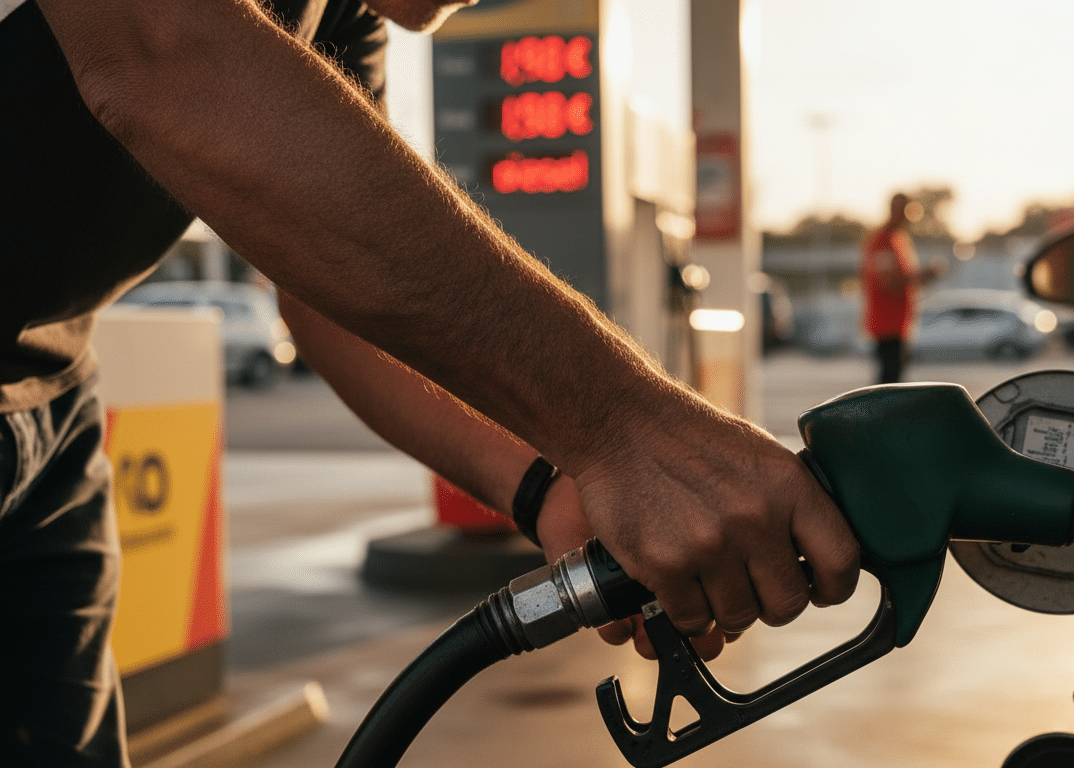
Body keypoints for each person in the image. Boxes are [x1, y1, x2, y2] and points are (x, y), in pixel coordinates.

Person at [0, 1, 861, 765]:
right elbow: (165, 51)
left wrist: (546, 487)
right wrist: (621, 421)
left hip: (50, 394)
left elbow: (325, 295)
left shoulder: (339, 13)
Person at [860, 193, 944, 384]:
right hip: (886, 324)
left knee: (895, 379)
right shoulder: (882, 241)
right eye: (904, 210)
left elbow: (903, 281)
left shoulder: (900, 240)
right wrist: (926, 274)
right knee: (888, 382)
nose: (908, 215)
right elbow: (889, 283)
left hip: (899, 324)